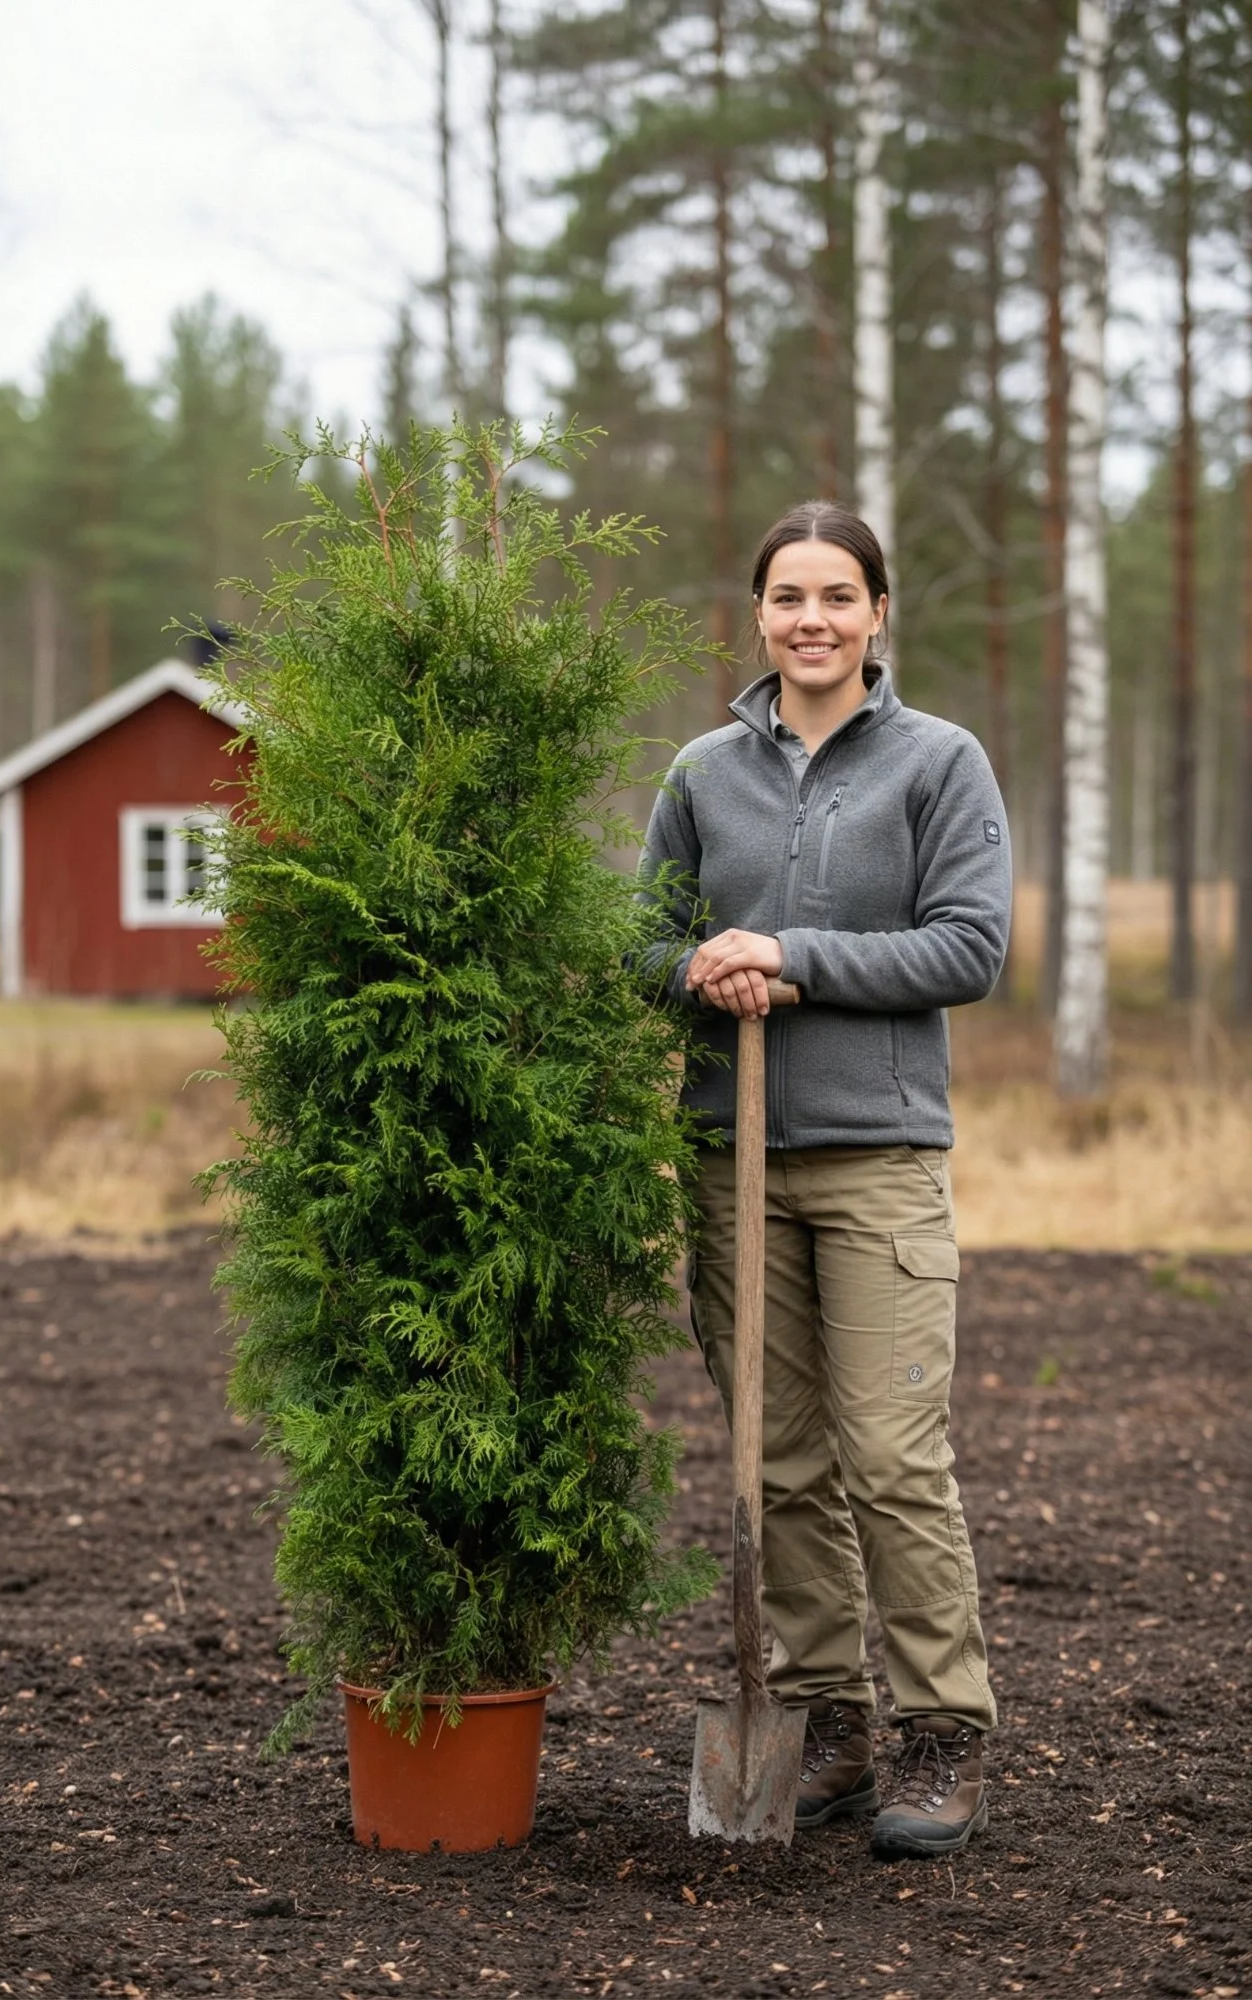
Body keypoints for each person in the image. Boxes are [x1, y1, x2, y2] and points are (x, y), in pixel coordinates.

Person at [639, 500, 1012, 1860]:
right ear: (757, 616)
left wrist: (791, 954)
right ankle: (827, 1720)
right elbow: (642, 943)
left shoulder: (939, 765)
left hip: (878, 1163)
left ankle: (939, 1729)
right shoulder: (698, 774)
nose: (812, 618)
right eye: (789, 595)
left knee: (892, 1458)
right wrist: (698, 965)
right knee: (777, 1463)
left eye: (837, 596)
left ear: (877, 615)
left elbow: (968, 947)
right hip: (730, 1160)